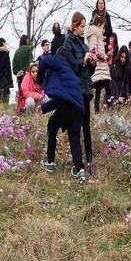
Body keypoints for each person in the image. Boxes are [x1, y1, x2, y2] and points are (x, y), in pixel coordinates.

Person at [38, 47, 86, 183]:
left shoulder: (59, 60)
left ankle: (50, 161)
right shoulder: (70, 73)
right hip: (78, 108)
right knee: (74, 138)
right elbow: (63, 98)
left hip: (69, 106)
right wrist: (44, 108)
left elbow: (45, 60)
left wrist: (39, 80)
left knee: (52, 125)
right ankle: (80, 170)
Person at [64, 12, 97, 172]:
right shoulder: (67, 45)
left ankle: (89, 161)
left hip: (85, 90)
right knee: (75, 127)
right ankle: (78, 165)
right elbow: (71, 67)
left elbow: (88, 72)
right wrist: (82, 61)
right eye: (82, 26)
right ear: (75, 26)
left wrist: (92, 63)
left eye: (85, 26)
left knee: (87, 126)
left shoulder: (84, 46)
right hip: (74, 91)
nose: (84, 29)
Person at [86, 13, 112, 113]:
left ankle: (101, 109)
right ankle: (105, 109)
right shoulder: (94, 34)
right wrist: (104, 56)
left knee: (101, 89)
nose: (104, 30)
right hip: (99, 67)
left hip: (101, 67)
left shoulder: (98, 35)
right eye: (103, 27)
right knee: (104, 88)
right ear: (99, 25)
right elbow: (94, 49)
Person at [0, 38, 13, 104]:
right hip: (4, 79)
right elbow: (5, 67)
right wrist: (8, 80)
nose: (6, 45)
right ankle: (4, 110)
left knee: (0, 96)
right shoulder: (4, 54)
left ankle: (0, 111)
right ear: (3, 43)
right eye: (5, 43)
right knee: (6, 95)